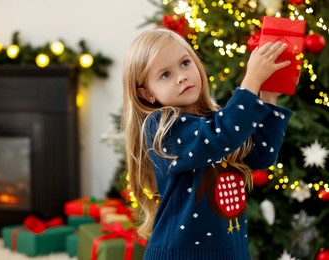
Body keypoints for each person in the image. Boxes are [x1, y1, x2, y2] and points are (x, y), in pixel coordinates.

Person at [121, 27, 293, 260]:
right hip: (180, 254)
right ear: (146, 94)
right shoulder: (162, 127)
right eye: (165, 75)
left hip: (230, 250)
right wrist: (251, 80)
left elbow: (261, 156)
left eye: (184, 63)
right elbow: (219, 137)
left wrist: (269, 97)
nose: (181, 76)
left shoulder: (216, 120)